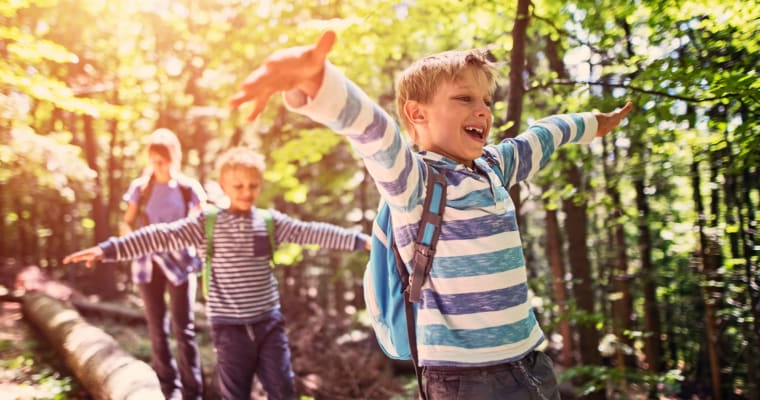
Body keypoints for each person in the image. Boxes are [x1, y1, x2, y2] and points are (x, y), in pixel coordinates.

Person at [228, 31, 632, 400]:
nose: (483, 111)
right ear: (417, 114)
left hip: (530, 363)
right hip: (463, 380)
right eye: (464, 99)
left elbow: (544, 135)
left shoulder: (496, 166)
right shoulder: (416, 182)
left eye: (486, 101)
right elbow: (375, 133)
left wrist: (595, 123)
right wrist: (320, 83)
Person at [64, 146, 371, 400]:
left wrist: (362, 241)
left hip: (268, 325)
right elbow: (159, 235)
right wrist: (108, 249)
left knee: (283, 390)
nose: (246, 192)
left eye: (253, 186)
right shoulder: (206, 224)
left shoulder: (268, 222)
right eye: (238, 186)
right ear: (222, 186)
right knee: (235, 395)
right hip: (229, 329)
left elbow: (312, 232)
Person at [119, 128, 206, 400]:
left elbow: (202, 221)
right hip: (148, 265)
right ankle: (170, 390)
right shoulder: (140, 189)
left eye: (163, 160)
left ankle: (193, 392)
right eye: (154, 160)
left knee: (184, 329)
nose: (158, 165)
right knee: (158, 328)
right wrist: (131, 243)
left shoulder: (187, 188)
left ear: (174, 158)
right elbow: (126, 222)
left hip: (181, 264)